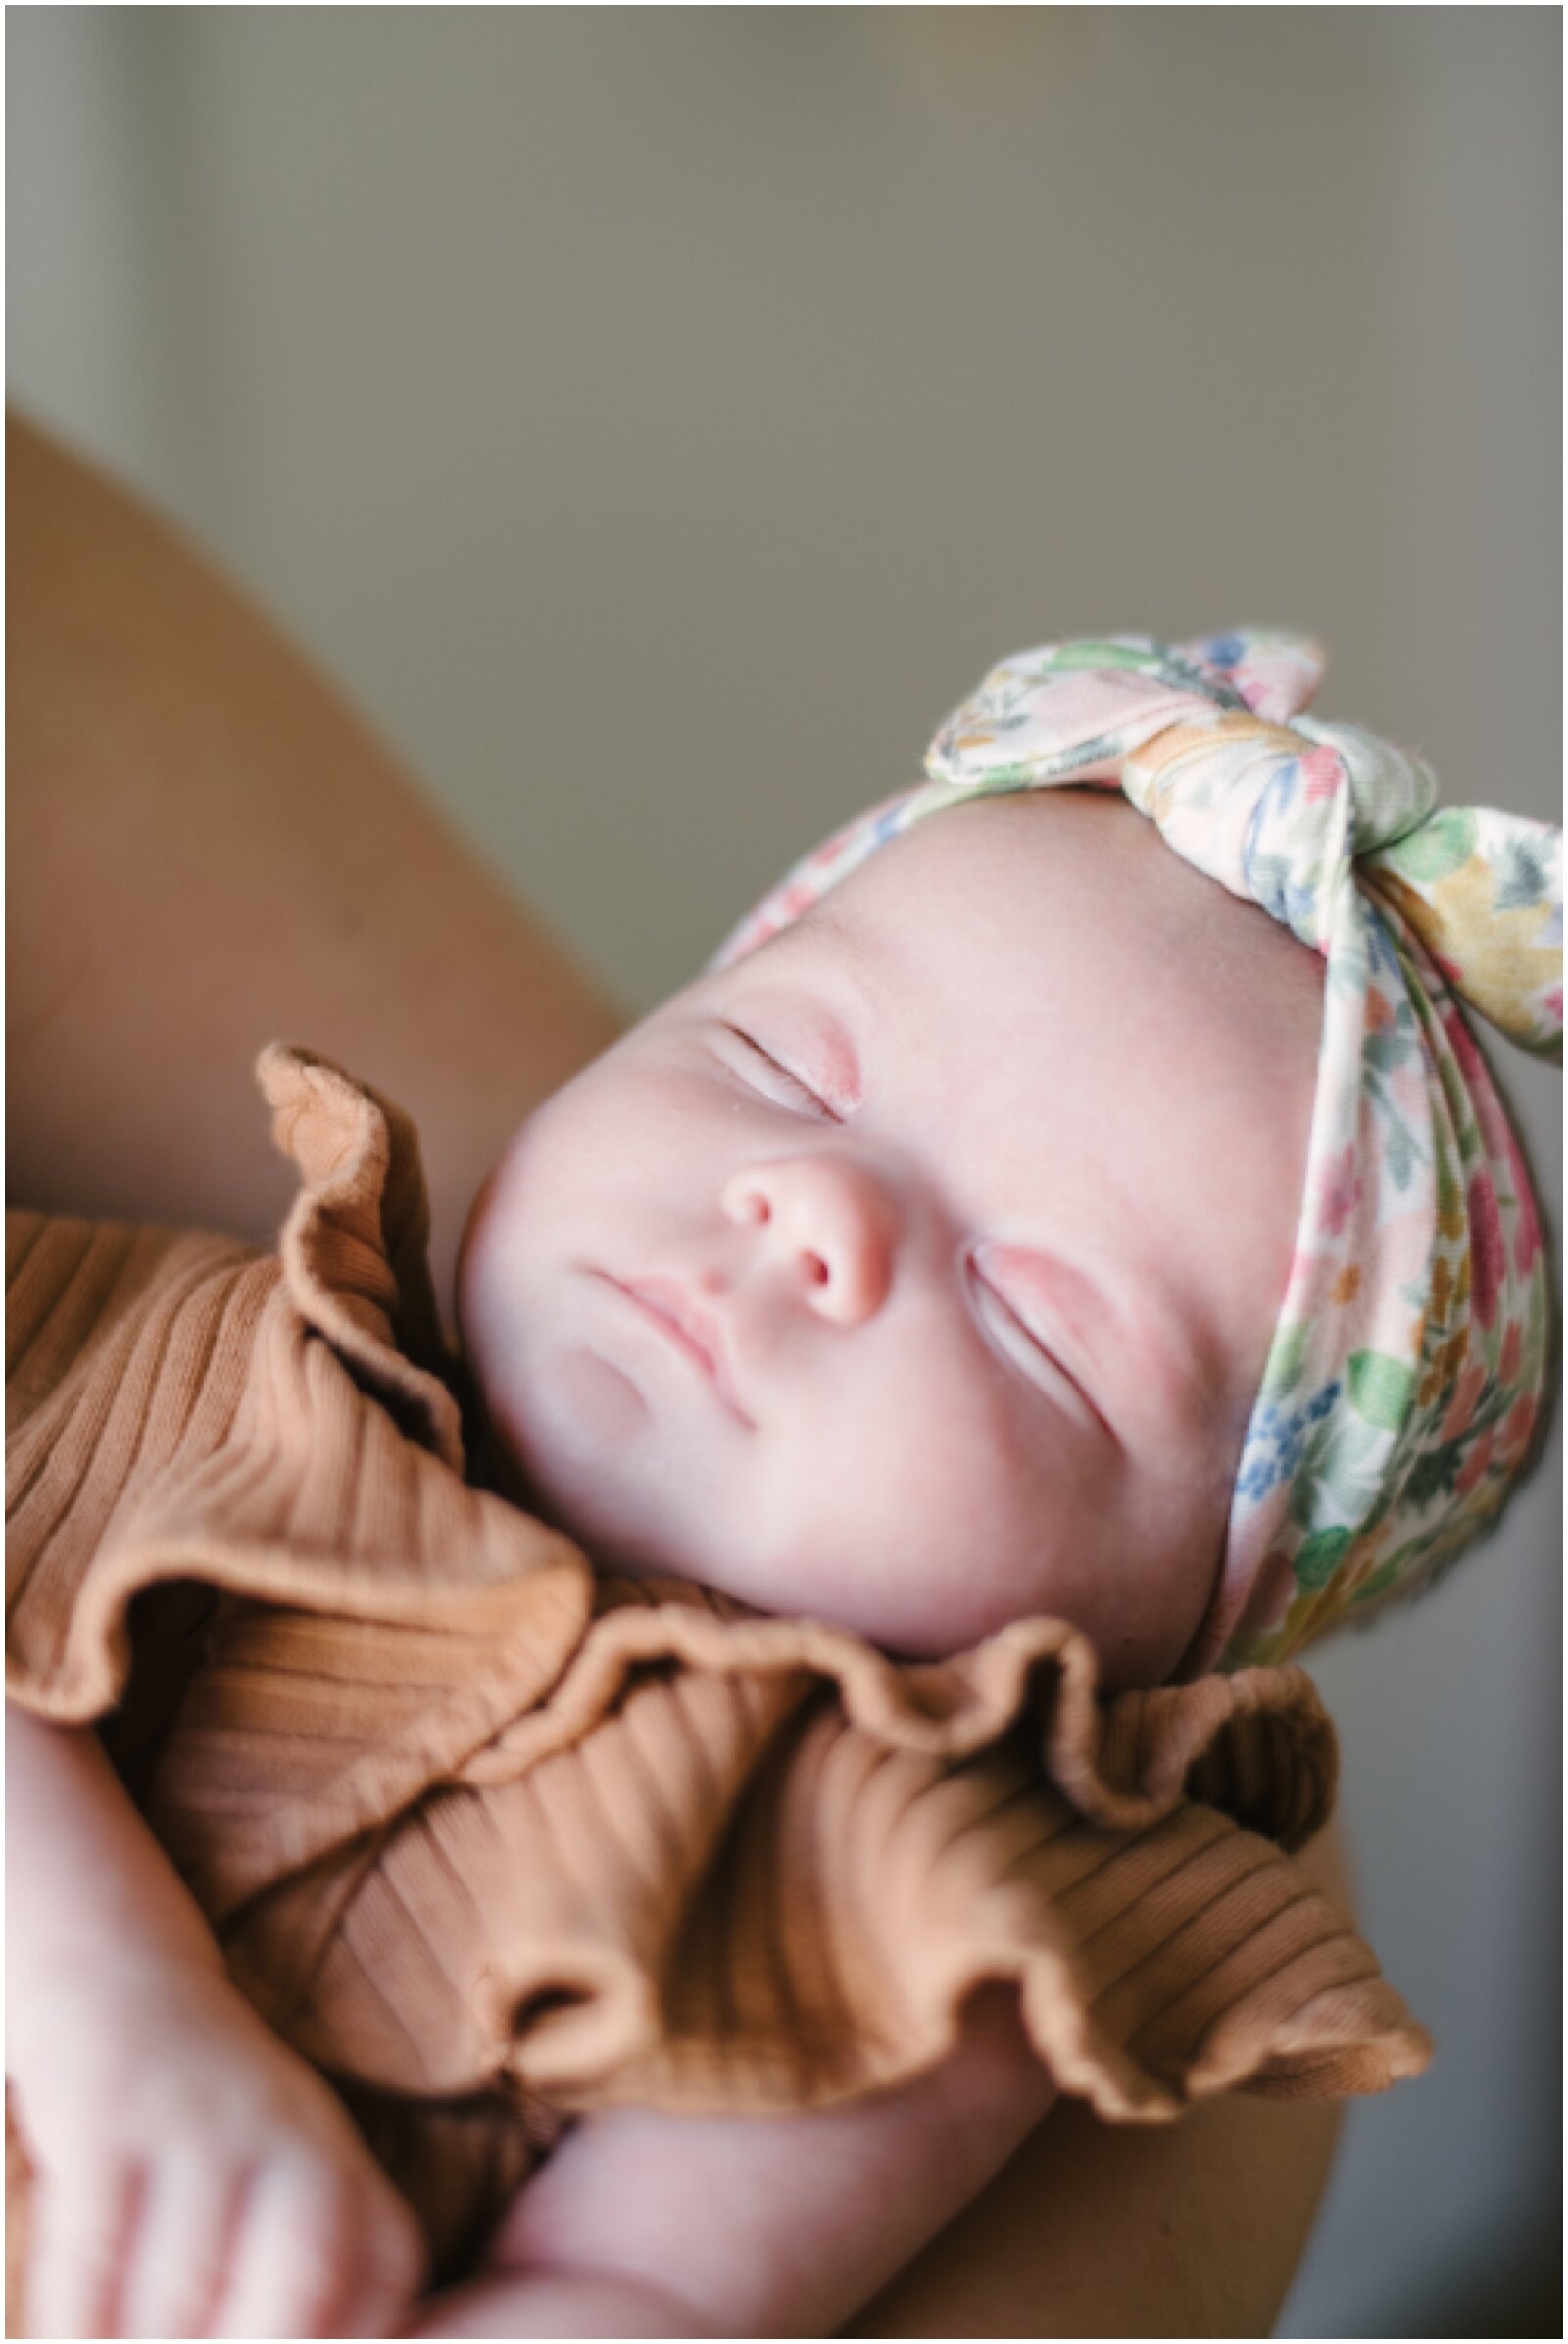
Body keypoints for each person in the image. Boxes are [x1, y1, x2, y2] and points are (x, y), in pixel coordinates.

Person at [13, 415, 1535, 2339]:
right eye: (777, 1067)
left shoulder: (931, 1874)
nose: (817, 1207)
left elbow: (635, 2295)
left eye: (1036, 1317)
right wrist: (101, 1995)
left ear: (1166, 1644)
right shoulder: (220, 1355)